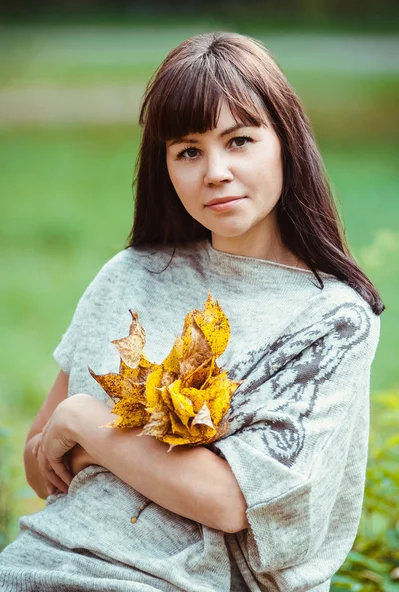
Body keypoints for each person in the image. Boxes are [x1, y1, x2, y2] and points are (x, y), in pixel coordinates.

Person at [0, 32, 383, 592]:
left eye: (240, 141)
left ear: (286, 143)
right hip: (38, 565)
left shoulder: (331, 318)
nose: (216, 172)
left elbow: (232, 501)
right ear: (167, 167)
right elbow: (42, 469)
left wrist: (90, 427)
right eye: (188, 151)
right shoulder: (131, 273)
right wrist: (149, 459)